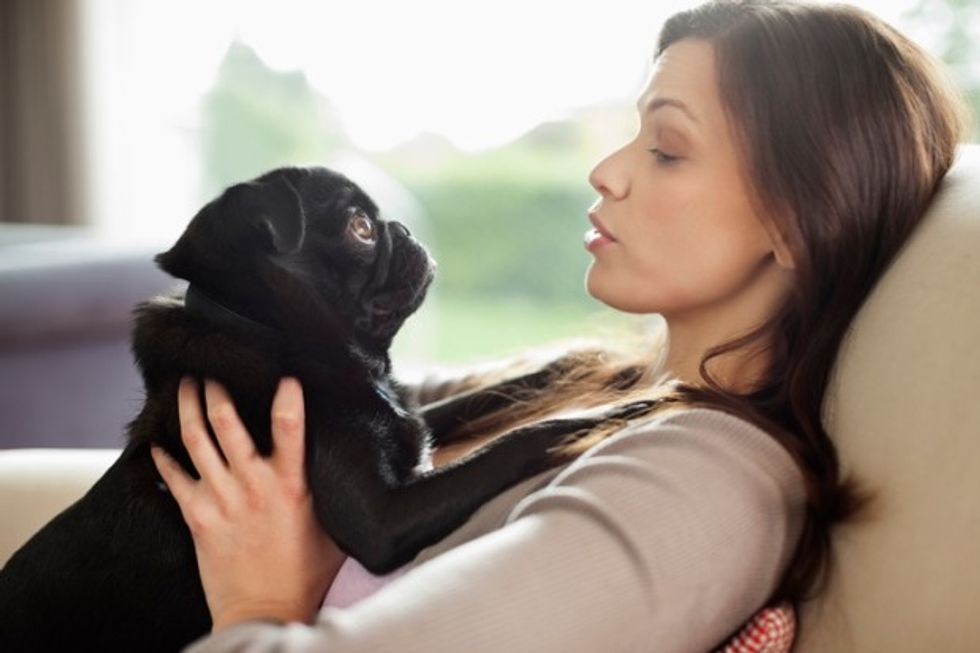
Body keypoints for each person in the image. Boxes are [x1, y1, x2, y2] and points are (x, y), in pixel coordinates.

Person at [151, 1, 972, 650]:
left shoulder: (703, 486)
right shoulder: (599, 379)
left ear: (797, 219)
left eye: (668, 149)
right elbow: (329, 404)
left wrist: (259, 603)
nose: (605, 171)